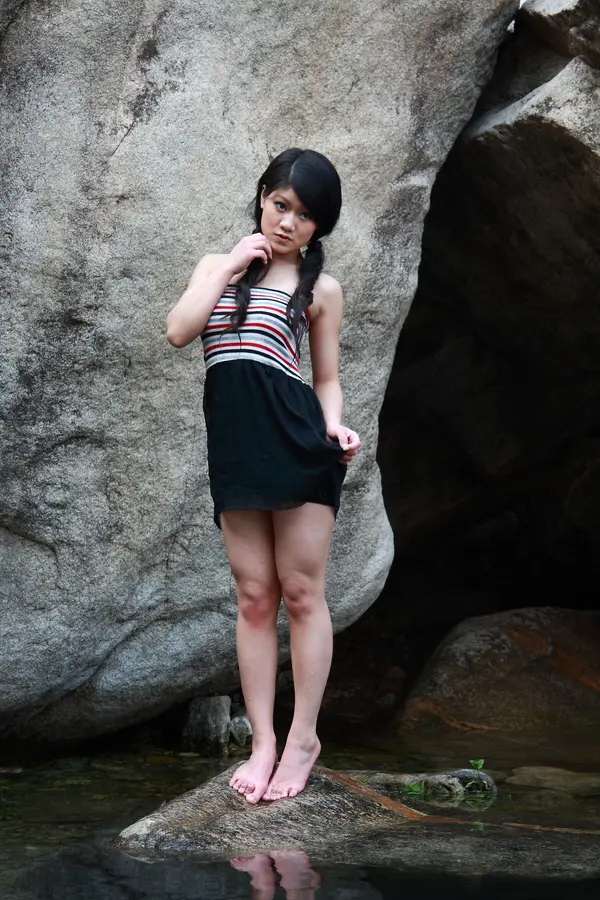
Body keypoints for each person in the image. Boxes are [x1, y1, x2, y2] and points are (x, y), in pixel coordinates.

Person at [166, 148, 360, 804]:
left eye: (303, 215)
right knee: (254, 596)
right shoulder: (214, 267)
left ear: (318, 226)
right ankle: (263, 743)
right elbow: (178, 331)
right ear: (261, 198)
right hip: (238, 449)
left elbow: (326, 379)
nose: (286, 223)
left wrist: (334, 427)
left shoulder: (320, 289)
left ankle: (303, 739)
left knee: (301, 593)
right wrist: (229, 265)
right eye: (280, 205)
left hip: (298, 443)